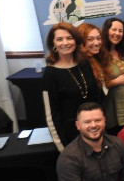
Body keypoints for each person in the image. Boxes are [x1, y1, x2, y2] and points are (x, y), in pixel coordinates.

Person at [42, 22, 104, 151]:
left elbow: (97, 98)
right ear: (53, 43)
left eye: (69, 38)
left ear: (76, 40)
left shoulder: (85, 63)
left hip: (96, 131)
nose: (65, 43)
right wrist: (62, 148)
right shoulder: (50, 74)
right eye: (59, 39)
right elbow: (51, 115)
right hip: (71, 138)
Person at [77, 23, 109, 89]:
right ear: (81, 41)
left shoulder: (97, 57)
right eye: (90, 39)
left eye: (98, 38)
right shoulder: (81, 64)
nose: (97, 43)